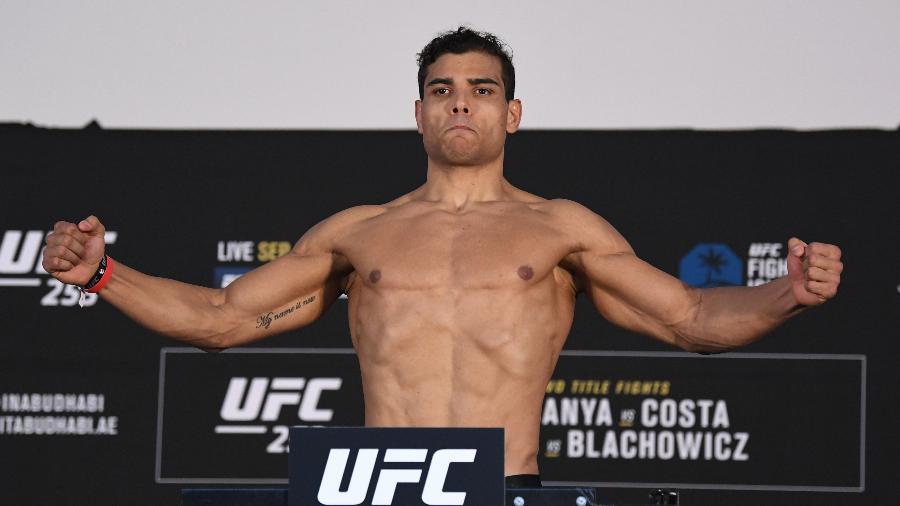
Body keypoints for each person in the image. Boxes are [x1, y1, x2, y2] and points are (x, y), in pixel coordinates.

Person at [41, 27, 843, 486]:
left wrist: (787, 294)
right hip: (375, 491)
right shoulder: (358, 235)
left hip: (507, 490)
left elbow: (694, 318)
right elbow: (220, 319)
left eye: (482, 88)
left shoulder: (562, 230)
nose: (461, 99)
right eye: (442, 88)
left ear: (514, 112)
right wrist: (102, 274)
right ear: (418, 114)